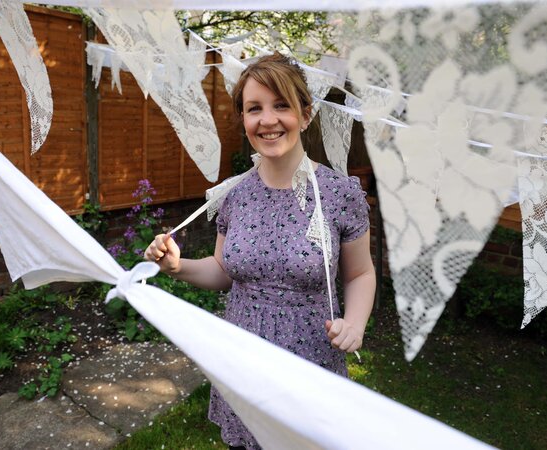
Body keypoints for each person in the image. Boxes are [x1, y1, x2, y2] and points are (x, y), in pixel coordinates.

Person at [144, 52, 375, 450]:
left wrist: (354, 325)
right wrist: (177, 266)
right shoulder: (234, 194)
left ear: (305, 115)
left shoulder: (339, 194)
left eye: (281, 105)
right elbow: (222, 270)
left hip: (310, 362)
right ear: (244, 120)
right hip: (242, 363)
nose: (267, 120)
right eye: (255, 109)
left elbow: (360, 273)